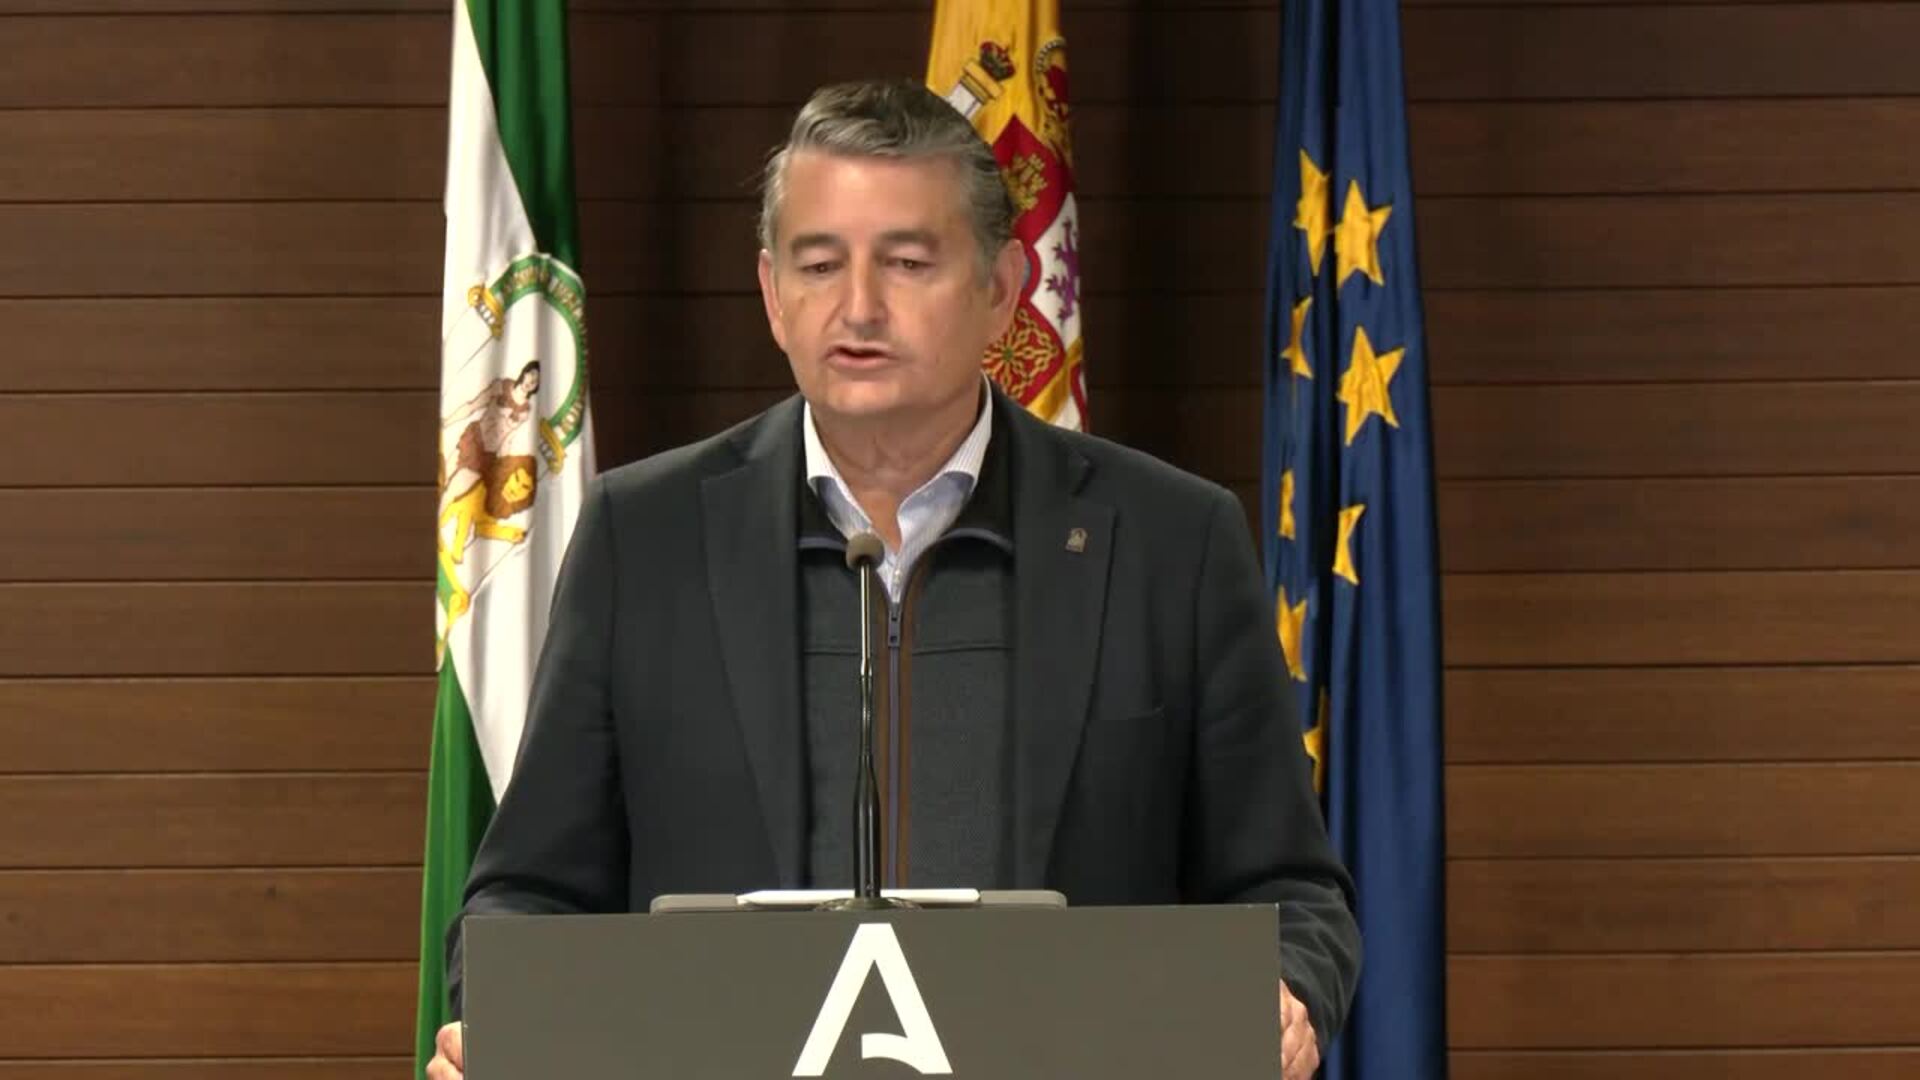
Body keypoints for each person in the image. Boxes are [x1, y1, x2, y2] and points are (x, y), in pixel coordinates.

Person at [427, 79, 1359, 1080]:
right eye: (819, 264)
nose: (859, 307)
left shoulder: (1172, 541)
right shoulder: (642, 538)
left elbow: (1292, 898)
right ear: (772, 293)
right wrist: (506, 1018)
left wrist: (1286, 994)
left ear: (1002, 287)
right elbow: (526, 896)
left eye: (908, 263)